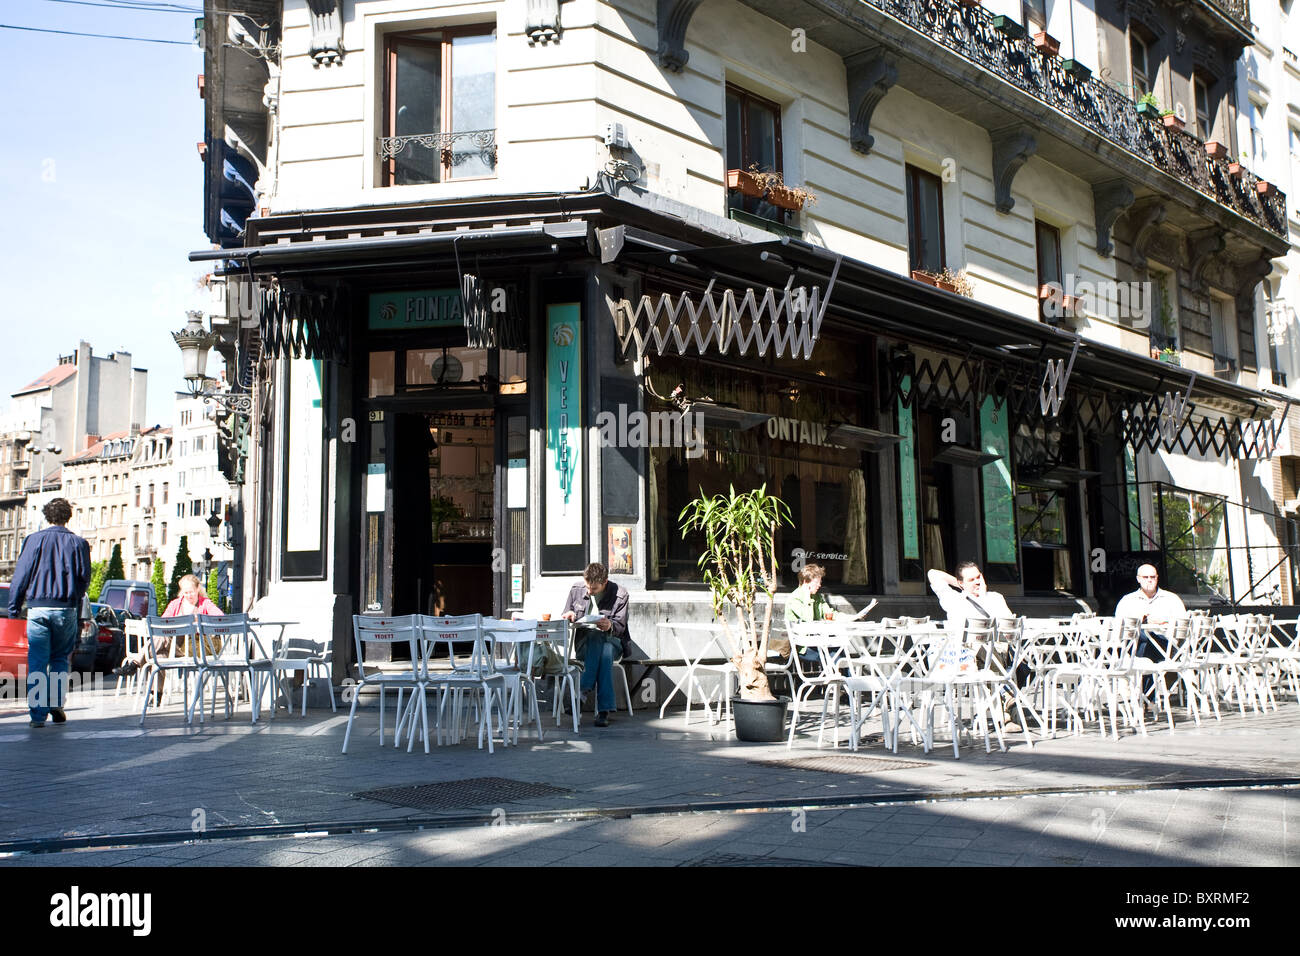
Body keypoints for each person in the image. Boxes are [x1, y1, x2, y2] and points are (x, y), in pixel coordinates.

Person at [7, 498, 91, 728]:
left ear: (47, 516)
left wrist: (14, 608)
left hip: (38, 608)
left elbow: (21, 575)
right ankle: (56, 702)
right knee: (60, 658)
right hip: (65, 608)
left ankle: (37, 715)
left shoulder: (34, 540)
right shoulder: (78, 543)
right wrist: (73, 597)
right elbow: (85, 578)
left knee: (37, 659)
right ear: (68, 517)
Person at [927, 561, 1020, 731]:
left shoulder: (995, 598)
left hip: (999, 655)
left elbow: (1008, 630)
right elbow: (933, 573)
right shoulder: (953, 599)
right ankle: (1006, 697)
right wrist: (962, 587)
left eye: (979, 577)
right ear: (961, 583)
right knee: (980, 648)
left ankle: (1004, 709)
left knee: (988, 649)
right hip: (965, 660)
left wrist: (983, 598)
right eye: (972, 579)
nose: (977, 582)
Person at [112, 573, 223, 679]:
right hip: (174, 645)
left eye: (191, 592)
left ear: (198, 589)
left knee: (161, 638)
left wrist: (198, 620)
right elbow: (162, 623)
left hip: (193, 648)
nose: (189, 595)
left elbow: (220, 617)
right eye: (186, 592)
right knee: (159, 656)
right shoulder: (175, 604)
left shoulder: (205, 603)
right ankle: (155, 696)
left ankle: (135, 664)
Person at [561, 562, 630, 727]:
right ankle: (603, 711)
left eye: (594, 589)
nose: (589, 591)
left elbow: (620, 627)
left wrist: (610, 625)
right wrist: (569, 615)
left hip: (613, 642)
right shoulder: (576, 589)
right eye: (587, 587)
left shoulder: (620, 594)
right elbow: (566, 613)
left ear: (605, 582)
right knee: (602, 650)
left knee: (602, 640)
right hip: (585, 644)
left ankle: (583, 691)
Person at [1115, 564, 1186, 701]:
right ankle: (1147, 697)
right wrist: (1139, 622)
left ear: (1157, 578)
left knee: (1147, 640)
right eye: (1145, 577)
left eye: (1152, 577)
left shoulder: (1171, 599)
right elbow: (1119, 628)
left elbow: (1183, 626)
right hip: (1135, 648)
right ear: (1138, 579)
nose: (1149, 580)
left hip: (1167, 648)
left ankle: (1144, 697)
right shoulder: (1127, 601)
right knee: (1144, 639)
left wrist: (1165, 622)